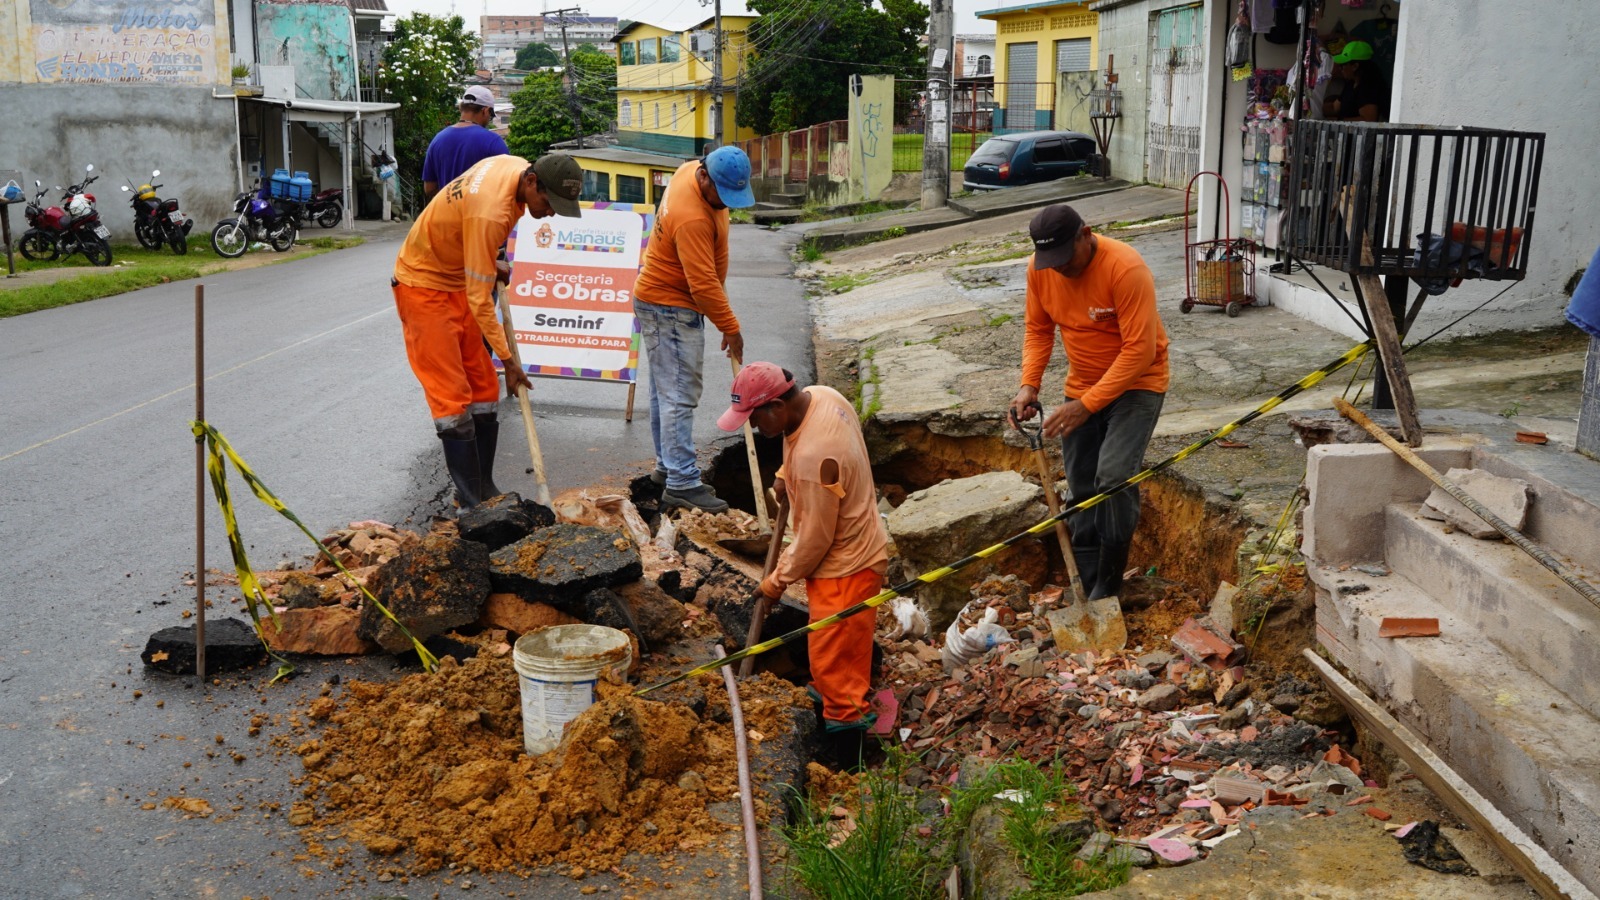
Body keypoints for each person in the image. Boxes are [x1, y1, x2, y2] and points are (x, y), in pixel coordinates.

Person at [718, 362, 888, 771]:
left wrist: (775, 582)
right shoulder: (823, 397)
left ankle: (850, 759)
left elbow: (813, 541)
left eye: (756, 418)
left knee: (837, 667)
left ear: (777, 405)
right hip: (849, 556)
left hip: (847, 567)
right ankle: (834, 711)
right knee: (831, 655)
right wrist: (783, 474)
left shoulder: (814, 456)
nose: (755, 427)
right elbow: (806, 450)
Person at [392, 153, 583, 509]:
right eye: (549, 201)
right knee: (451, 399)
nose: (551, 212)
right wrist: (509, 361)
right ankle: (470, 504)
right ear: (531, 182)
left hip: (454, 276)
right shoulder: (490, 212)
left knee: (482, 387)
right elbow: (480, 301)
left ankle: (484, 487)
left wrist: (485, 258)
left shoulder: (515, 166)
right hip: (423, 284)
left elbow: (467, 220)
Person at [1008, 204, 1169, 602]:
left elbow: (1139, 351)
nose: (1060, 269)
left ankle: (1109, 585)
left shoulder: (1125, 268)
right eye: (1052, 261)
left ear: (1086, 234)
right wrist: (1029, 384)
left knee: (1112, 479)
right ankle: (1087, 579)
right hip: (1083, 386)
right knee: (1080, 485)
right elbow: (1039, 328)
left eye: (1066, 257)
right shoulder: (1041, 269)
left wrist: (1088, 405)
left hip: (1138, 384)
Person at [634, 146, 757, 512]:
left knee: (664, 392)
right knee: (678, 395)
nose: (725, 203)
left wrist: (719, 314)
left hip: (660, 301)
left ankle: (666, 468)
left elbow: (710, 270)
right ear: (704, 176)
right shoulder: (692, 218)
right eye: (722, 194)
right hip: (670, 305)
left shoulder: (689, 169)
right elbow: (701, 284)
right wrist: (730, 327)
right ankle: (683, 483)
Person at [422, 86, 509, 202]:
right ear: (485, 110)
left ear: (460, 108)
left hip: (448, 216)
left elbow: (429, 188)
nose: (489, 119)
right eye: (491, 115)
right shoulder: (494, 142)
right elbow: (507, 187)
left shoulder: (438, 139)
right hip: (481, 217)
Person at [1323, 41, 1389, 122]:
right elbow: (1334, 108)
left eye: (1343, 65)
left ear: (1355, 66)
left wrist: (1338, 121)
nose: (1340, 69)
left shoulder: (1369, 88)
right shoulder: (1351, 83)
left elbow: (1368, 120)